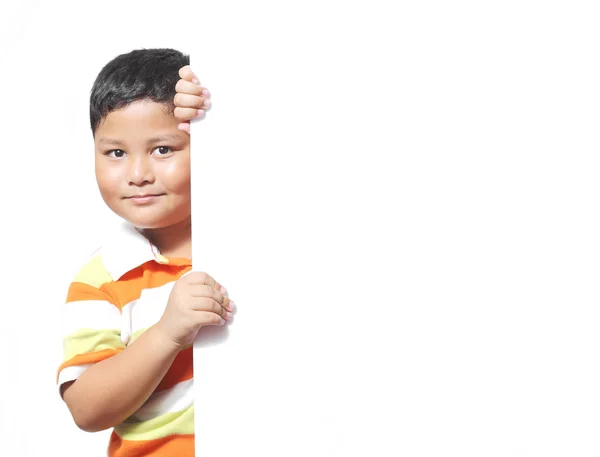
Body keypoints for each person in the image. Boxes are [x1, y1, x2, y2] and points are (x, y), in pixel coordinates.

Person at [57, 48, 235, 457]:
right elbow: (86, 409)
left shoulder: (250, 241)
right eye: (116, 153)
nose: (138, 175)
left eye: (163, 149)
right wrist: (167, 333)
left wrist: (218, 111)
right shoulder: (103, 278)